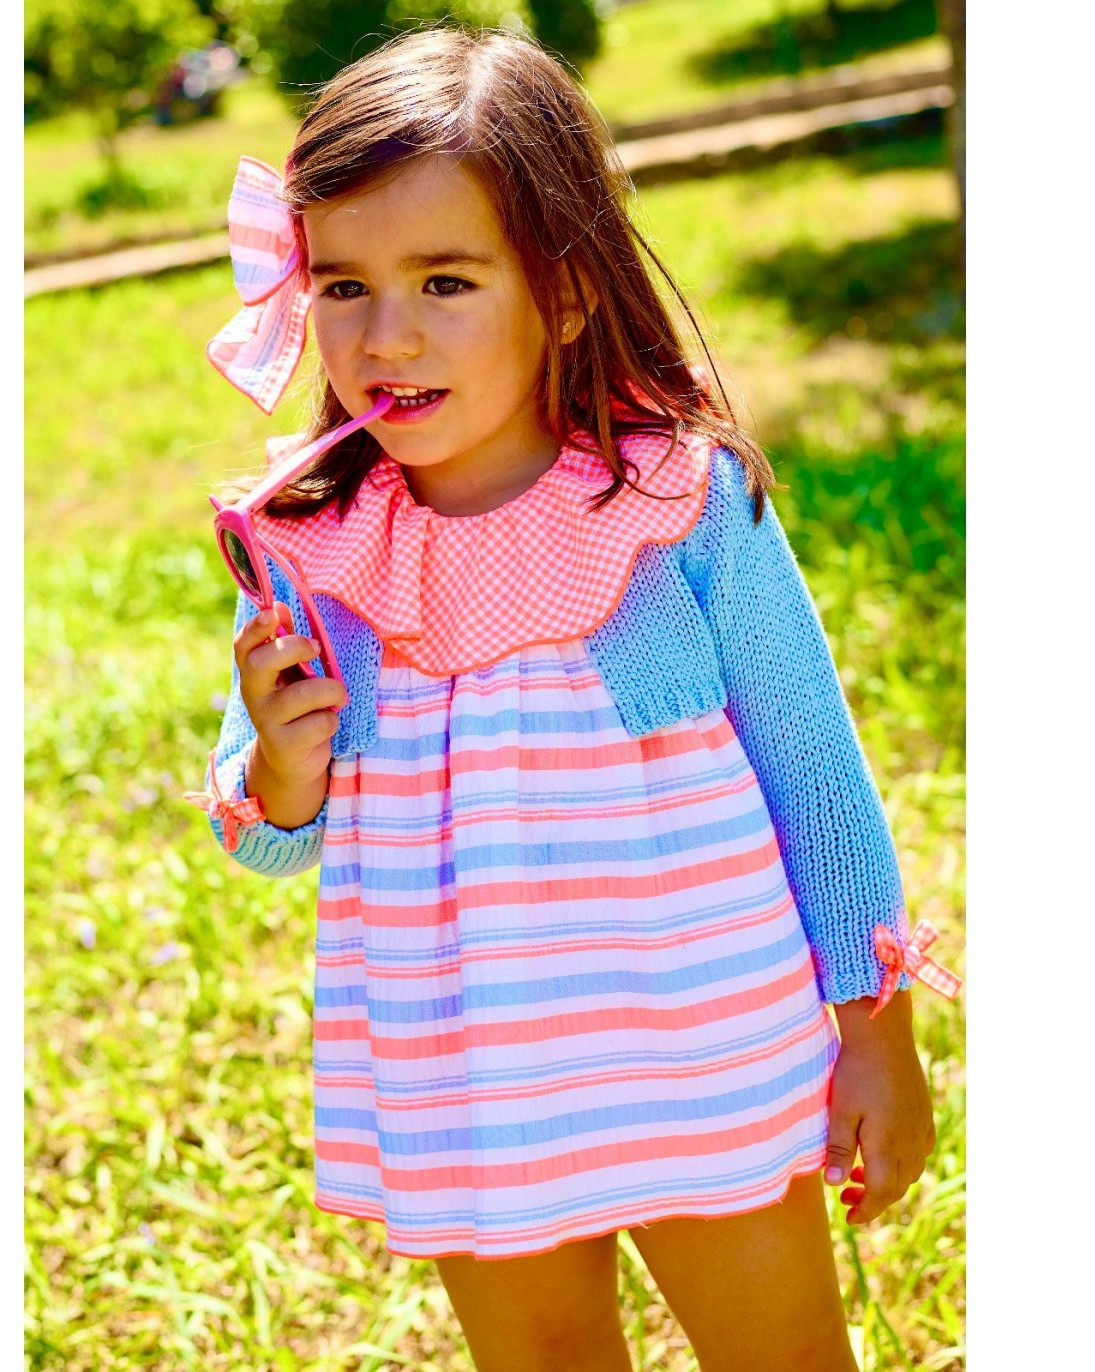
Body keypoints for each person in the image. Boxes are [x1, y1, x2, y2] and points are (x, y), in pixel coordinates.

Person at [190, 25, 961, 1372]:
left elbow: (814, 770)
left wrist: (877, 1032)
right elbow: (263, 839)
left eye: (445, 280)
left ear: (565, 293)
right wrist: (280, 768)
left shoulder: (674, 500)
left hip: (702, 1040)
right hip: (466, 1065)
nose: (386, 334)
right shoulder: (318, 547)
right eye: (346, 285)